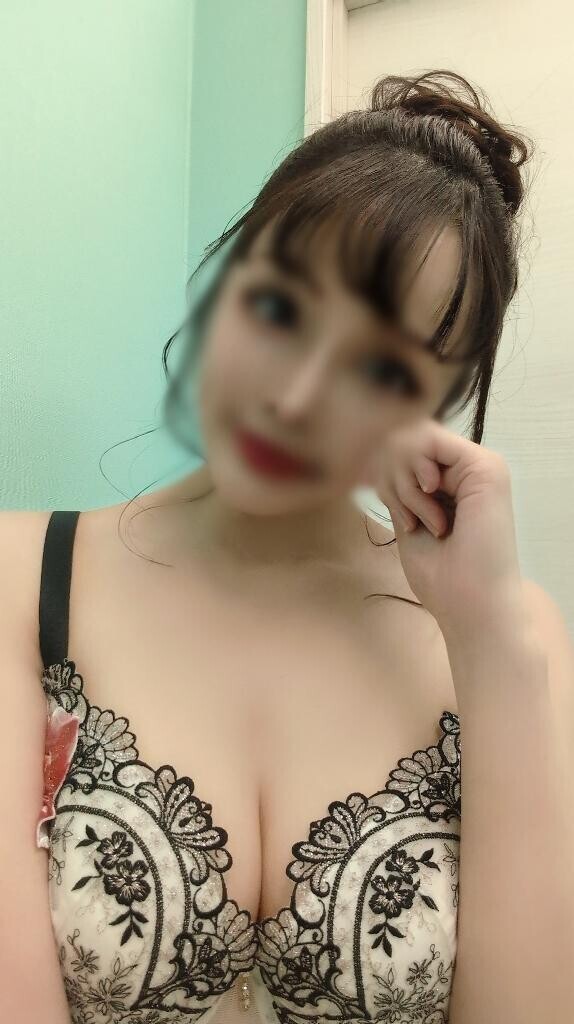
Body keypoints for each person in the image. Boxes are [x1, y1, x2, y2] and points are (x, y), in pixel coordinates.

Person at [2, 70, 573, 1024]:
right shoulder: (21, 582)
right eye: (280, 310)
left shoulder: (511, 639)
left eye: (378, 365)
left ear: (439, 401)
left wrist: (492, 643)